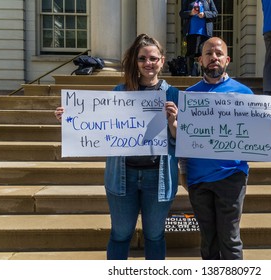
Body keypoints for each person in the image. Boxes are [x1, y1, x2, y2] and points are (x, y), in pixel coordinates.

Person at [55, 34, 180, 260]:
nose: (148, 63)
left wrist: (173, 123)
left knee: (155, 236)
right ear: (135, 61)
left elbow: (181, 139)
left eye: (153, 58)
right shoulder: (119, 92)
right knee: (121, 234)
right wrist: (71, 117)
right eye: (142, 59)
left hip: (159, 177)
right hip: (123, 176)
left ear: (162, 60)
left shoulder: (173, 95)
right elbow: (98, 125)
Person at [181, 37, 271, 260]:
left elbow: (262, 136)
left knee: (230, 239)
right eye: (208, 54)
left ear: (227, 59)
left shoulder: (245, 94)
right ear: (200, 60)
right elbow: (184, 140)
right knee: (208, 241)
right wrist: (184, 173)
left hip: (231, 177)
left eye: (219, 54)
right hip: (197, 180)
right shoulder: (189, 96)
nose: (214, 58)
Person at [180, 0, 218, 76]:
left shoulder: (208, 1)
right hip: (191, 31)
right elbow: (181, 13)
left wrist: (204, 14)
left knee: (204, 53)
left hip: (205, 32)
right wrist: (191, 13)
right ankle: (189, 73)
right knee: (191, 53)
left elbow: (215, 13)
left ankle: (205, 74)